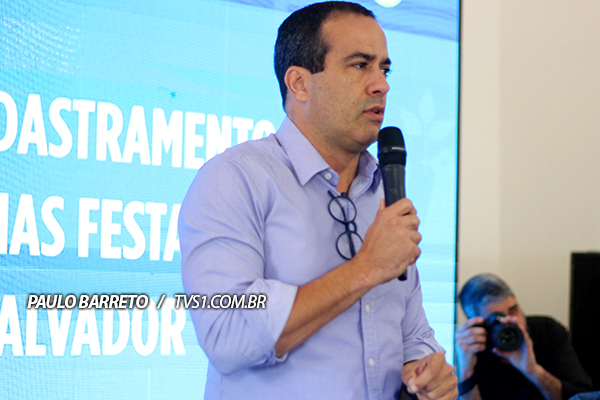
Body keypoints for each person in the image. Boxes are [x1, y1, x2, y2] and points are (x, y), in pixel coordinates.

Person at [179, 2, 457, 399]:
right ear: (299, 84)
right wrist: (365, 269)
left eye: (384, 69)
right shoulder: (235, 178)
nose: (381, 85)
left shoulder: (383, 191)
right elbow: (227, 332)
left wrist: (428, 370)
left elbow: (413, 335)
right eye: (360, 65)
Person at [455, 274, 593, 400]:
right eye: (498, 318)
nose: (511, 321)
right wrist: (466, 371)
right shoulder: (473, 349)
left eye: (514, 310)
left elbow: (582, 397)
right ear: (476, 324)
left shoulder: (548, 331)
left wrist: (533, 370)